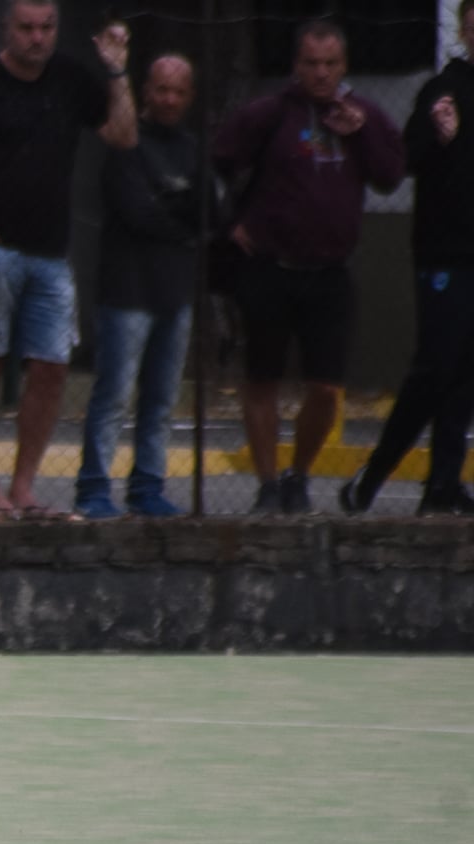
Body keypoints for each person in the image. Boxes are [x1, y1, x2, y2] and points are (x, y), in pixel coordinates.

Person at [0, 0, 137, 519]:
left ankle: (24, 487)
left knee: (51, 366)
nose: (37, 38)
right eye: (26, 28)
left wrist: (117, 71)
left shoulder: (69, 78)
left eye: (46, 28)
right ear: (7, 27)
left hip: (51, 253)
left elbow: (123, 134)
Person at [213, 19, 403, 516]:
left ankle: (299, 472)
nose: (320, 74)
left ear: (344, 66)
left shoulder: (366, 115)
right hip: (270, 267)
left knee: (325, 388)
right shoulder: (269, 113)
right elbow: (217, 161)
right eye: (311, 64)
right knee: (262, 380)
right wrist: (229, 224)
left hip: (330, 272)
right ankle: (268, 484)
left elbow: (389, 176)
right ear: (297, 66)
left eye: (330, 65)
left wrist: (359, 135)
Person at [341, 0, 474, 518]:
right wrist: (434, 134)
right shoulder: (444, 89)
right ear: (464, 29)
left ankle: (443, 483)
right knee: (435, 367)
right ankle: (373, 474)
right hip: (445, 253)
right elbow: (405, 159)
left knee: (464, 373)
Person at [76, 54, 211, 520]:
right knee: (114, 393)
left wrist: (175, 213)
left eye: (178, 91)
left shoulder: (195, 148)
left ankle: (147, 485)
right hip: (126, 290)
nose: (169, 99)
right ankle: (94, 488)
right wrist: (180, 220)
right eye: (160, 89)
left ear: (189, 96)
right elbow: (134, 209)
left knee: (161, 398)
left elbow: (210, 209)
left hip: (175, 290)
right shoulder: (127, 142)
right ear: (146, 91)